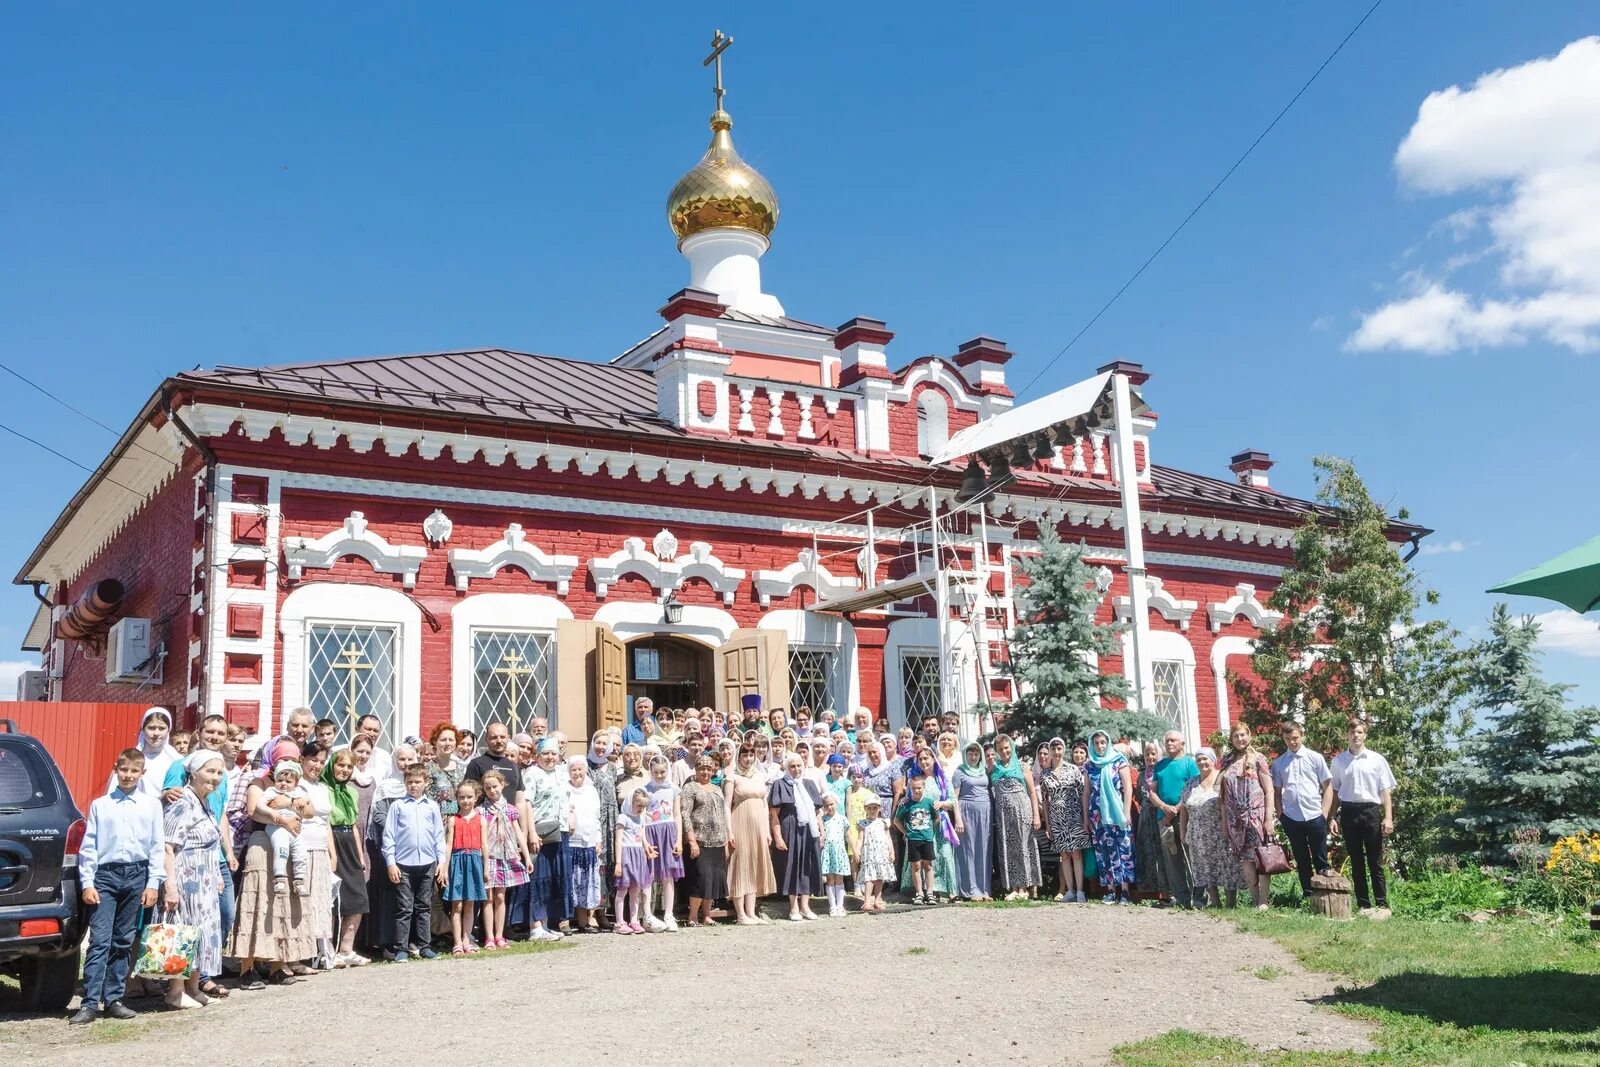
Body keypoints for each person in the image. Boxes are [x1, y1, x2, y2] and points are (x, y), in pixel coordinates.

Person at [72, 749, 163, 1025]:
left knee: (123, 940)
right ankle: (89, 1002)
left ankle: (113, 998)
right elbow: (89, 846)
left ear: (142, 773)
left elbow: (157, 846)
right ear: (116, 769)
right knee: (100, 940)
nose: (128, 776)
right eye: (124, 770)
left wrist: (153, 883)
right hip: (106, 876)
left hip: (136, 875)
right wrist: (87, 882)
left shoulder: (151, 806)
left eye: (134, 771)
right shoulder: (101, 805)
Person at [228, 740, 320, 987]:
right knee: (257, 900)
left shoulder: (296, 784)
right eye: (282, 758)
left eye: (291, 758)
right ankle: (247, 969)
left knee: (283, 902)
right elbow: (253, 810)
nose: (286, 764)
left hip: (289, 843)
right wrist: (284, 817)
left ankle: (278, 966)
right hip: (262, 843)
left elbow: (310, 811)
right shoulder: (260, 781)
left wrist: (290, 804)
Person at [155, 748, 228, 1010]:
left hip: (205, 881)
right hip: (186, 880)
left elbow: (211, 842)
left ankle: (193, 988)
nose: (215, 777)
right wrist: (170, 885)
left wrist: (217, 874)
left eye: (219, 772)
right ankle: (175, 993)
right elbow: (167, 846)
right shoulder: (183, 801)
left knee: (202, 933)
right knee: (183, 932)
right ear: (194, 773)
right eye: (210, 771)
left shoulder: (205, 801)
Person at [1329, 720, 1396, 917]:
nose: (1356, 735)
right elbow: (1333, 792)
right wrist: (1332, 817)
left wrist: (1388, 818)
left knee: (1375, 861)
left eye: (1359, 732)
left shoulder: (1377, 760)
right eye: (1352, 732)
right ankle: (1364, 904)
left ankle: (1382, 904)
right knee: (1356, 860)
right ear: (1347, 735)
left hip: (1371, 812)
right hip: (1349, 812)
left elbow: (1385, 791)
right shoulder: (1339, 762)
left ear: (1365, 735)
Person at [382, 763, 446, 961]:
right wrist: (391, 862)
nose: (413, 786)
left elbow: (438, 835)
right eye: (410, 782)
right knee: (404, 908)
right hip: (403, 865)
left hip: (427, 863)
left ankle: (424, 945)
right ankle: (400, 948)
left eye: (418, 782)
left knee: (424, 906)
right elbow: (389, 836)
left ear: (426, 783)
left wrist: (441, 862)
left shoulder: (432, 806)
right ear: (405, 783)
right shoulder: (397, 806)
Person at [1272, 721, 1334, 899]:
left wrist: (1324, 813)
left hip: (1315, 814)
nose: (1292, 742)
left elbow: (1328, 786)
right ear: (1283, 739)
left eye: (1295, 738)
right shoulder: (1279, 763)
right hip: (1291, 817)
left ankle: (1326, 896)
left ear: (1302, 735)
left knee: (1321, 858)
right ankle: (1308, 896)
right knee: (1301, 859)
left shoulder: (1315, 758)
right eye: (1288, 739)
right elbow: (1276, 792)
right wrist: (1281, 814)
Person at [1219, 723, 1276, 910]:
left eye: (1243, 735)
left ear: (1249, 736)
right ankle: (1254, 899)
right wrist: (1225, 823)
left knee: (1261, 857)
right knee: (1246, 859)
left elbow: (1269, 791)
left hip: (1256, 816)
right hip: (1236, 820)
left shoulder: (1258, 759)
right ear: (1232, 739)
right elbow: (1223, 796)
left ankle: (1264, 900)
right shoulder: (1227, 761)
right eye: (1236, 736)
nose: (1240, 739)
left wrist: (1269, 819)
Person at [323, 748, 371, 967]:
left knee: (358, 898)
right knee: (333, 900)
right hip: (331, 840)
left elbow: (353, 825)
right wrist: (331, 854)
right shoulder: (324, 790)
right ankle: (328, 951)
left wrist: (360, 856)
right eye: (340, 765)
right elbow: (326, 824)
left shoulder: (351, 792)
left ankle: (346, 949)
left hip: (349, 843)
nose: (344, 770)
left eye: (349, 766)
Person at [1178, 748, 1240, 907]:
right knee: (1205, 868)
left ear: (1213, 760)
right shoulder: (1191, 783)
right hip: (1198, 834)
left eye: (1205, 759)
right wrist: (1183, 830)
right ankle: (1215, 902)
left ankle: (1231, 903)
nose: (1202, 763)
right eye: (1199, 760)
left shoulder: (1222, 778)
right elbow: (1184, 808)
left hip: (1221, 833)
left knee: (1227, 867)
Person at [724, 743, 776, 924]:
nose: (748, 758)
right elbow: (726, 805)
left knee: (754, 864)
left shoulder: (759, 776)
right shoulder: (732, 777)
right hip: (739, 822)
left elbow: (764, 804)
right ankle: (740, 914)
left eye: (750, 755)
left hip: (758, 826)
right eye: (744, 755)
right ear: (738, 757)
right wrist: (729, 830)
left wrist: (767, 830)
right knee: (741, 865)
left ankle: (751, 912)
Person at [769, 752, 825, 921]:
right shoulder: (780, 784)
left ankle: (805, 906)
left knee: (807, 866)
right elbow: (774, 814)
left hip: (809, 831)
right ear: (787, 767)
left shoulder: (809, 784)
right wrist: (777, 837)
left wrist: (821, 832)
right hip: (790, 830)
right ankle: (793, 907)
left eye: (799, 765)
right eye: (792, 766)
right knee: (791, 867)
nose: (796, 769)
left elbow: (817, 812)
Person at [1148, 731, 1200, 908]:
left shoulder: (1189, 764)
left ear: (1182, 743)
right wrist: (1164, 808)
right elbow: (1152, 792)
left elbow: (1194, 788)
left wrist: (1177, 808)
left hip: (1185, 817)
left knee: (1191, 857)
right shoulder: (1160, 766)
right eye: (1167, 740)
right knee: (1172, 860)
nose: (1169, 743)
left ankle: (1199, 898)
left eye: (1173, 740)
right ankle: (1181, 898)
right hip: (1164, 820)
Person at [1037, 736, 1092, 903]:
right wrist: (1048, 825)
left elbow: (1083, 794)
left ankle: (1081, 891)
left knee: (1076, 854)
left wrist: (1085, 818)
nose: (1056, 752)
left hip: (1074, 815)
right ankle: (1070, 890)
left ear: (1064, 750)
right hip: (1056, 818)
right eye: (1053, 749)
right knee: (1064, 855)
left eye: (1059, 748)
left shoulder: (1073, 769)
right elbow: (1045, 801)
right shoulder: (1045, 774)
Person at [990, 733, 1042, 900]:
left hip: (1022, 812)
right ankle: (1014, 887)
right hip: (1004, 816)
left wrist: (1036, 816)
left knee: (1023, 848)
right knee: (1008, 849)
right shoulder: (995, 768)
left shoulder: (1021, 766)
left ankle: (1025, 888)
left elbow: (1032, 792)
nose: (1004, 751)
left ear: (1011, 747)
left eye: (1007, 748)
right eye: (1000, 749)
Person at [1086, 730, 1136, 904]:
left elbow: (1127, 788)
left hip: (1117, 812)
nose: (1100, 746)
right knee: (1103, 851)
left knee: (1122, 849)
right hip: (1097, 815)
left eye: (1102, 742)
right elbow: (1086, 792)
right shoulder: (1090, 764)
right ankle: (1110, 890)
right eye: (1096, 743)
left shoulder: (1118, 761)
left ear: (1107, 743)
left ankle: (1124, 891)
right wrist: (1086, 818)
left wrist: (1126, 811)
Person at [681, 755, 730, 927]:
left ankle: (707, 915)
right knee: (700, 879)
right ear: (696, 769)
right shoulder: (690, 788)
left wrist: (725, 840)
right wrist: (691, 840)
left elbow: (723, 816)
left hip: (717, 840)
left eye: (709, 769)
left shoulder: (717, 788)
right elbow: (685, 814)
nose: (705, 772)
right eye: (702, 768)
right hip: (700, 840)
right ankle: (693, 916)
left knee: (713, 880)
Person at [442, 780, 487, 955]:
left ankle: (468, 939)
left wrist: (485, 868)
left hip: (474, 860)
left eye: (469, 797)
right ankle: (457, 942)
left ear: (476, 797)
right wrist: (445, 868)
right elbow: (448, 845)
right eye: (462, 797)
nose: (466, 800)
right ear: (457, 798)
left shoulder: (481, 820)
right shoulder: (453, 820)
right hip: (457, 861)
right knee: (457, 905)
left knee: (470, 904)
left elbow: (484, 845)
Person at [640, 754, 684, 932]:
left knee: (668, 876)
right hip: (651, 832)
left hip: (668, 832)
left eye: (663, 772)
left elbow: (677, 814)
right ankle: (647, 915)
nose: (659, 775)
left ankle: (668, 914)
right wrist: (643, 841)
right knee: (648, 875)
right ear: (650, 771)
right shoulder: (644, 790)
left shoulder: (674, 789)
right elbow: (642, 817)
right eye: (656, 772)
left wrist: (679, 839)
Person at [258, 758, 313, 896]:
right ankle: (279, 878)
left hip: (294, 830)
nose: (283, 784)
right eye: (280, 780)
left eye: (288, 782)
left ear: (295, 783)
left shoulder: (297, 793)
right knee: (281, 846)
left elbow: (308, 803)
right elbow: (259, 805)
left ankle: (299, 880)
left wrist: (302, 800)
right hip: (277, 827)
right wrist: (271, 812)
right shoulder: (271, 792)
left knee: (301, 850)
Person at [952, 742, 994, 901]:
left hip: (985, 813)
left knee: (983, 849)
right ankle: (971, 889)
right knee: (968, 850)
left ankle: (984, 888)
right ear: (965, 755)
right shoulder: (959, 772)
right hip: (967, 811)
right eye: (970, 754)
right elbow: (954, 797)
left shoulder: (984, 771)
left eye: (976, 754)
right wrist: (958, 819)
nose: (973, 757)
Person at [109, 707, 181, 798]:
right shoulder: (131, 759)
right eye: (151, 728)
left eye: (161, 728)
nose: (156, 733)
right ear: (143, 729)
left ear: (168, 730)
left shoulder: (176, 760)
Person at [566, 758, 604, 933]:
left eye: (580, 769)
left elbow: (597, 817)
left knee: (586, 882)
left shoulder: (591, 791)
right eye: (573, 769)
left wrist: (598, 839)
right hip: (570, 842)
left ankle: (585, 920)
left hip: (588, 842)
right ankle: (565, 919)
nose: (577, 773)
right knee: (571, 881)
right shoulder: (565, 789)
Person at [894, 770, 942, 906]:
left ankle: (930, 892)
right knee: (916, 866)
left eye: (919, 788)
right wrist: (906, 833)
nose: (916, 791)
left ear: (924, 787)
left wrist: (930, 831)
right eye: (914, 788)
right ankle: (919, 892)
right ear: (910, 788)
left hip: (927, 839)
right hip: (913, 839)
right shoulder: (905, 804)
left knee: (928, 865)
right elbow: (896, 821)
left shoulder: (929, 802)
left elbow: (936, 818)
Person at [613, 789, 652, 933]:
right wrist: (618, 863)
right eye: (639, 805)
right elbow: (618, 840)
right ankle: (619, 922)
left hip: (638, 856)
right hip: (626, 855)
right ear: (631, 803)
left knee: (635, 890)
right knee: (622, 890)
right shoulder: (623, 817)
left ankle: (634, 920)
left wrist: (647, 848)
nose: (641, 809)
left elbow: (642, 836)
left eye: (643, 806)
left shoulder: (641, 818)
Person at [465, 723, 523, 806]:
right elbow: (468, 797)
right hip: (484, 817)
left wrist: (524, 819)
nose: (499, 741)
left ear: (508, 738)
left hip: (510, 817)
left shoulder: (514, 766)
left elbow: (520, 801)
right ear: (486, 739)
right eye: (494, 737)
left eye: (502, 737)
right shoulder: (476, 764)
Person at [855, 795, 894, 912]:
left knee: (879, 878)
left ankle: (877, 899)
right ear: (866, 809)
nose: (872, 811)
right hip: (869, 855)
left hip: (881, 854)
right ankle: (867, 901)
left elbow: (888, 838)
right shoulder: (863, 824)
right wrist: (857, 852)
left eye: (875, 808)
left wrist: (891, 852)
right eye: (869, 808)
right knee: (870, 878)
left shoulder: (884, 822)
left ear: (879, 809)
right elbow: (860, 839)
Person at [819, 792, 850, 916]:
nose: (829, 807)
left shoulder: (842, 818)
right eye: (826, 805)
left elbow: (848, 835)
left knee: (839, 878)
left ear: (836, 803)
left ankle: (840, 906)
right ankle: (832, 906)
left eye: (831, 804)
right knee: (830, 879)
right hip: (828, 851)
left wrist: (855, 850)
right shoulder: (822, 820)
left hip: (839, 851)